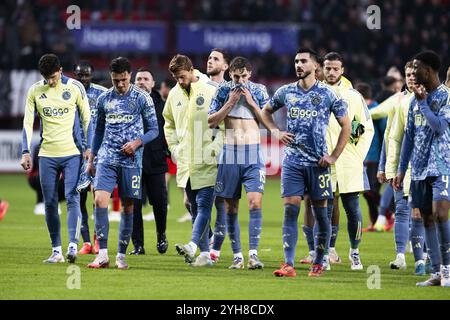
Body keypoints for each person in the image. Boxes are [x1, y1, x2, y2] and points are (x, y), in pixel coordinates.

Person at [260, 48, 351, 277]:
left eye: (303, 61)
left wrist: (333, 156)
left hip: (318, 164)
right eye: (296, 61)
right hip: (292, 161)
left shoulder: (329, 94)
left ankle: (319, 262)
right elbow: (266, 111)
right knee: (291, 209)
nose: (298, 65)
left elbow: (346, 126)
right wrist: (276, 132)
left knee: (322, 215)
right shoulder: (286, 92)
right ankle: (288, 264)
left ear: (315, 66)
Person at [87, 57, 159, 269]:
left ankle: (120, 255)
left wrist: (137, 143)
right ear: (111, 76)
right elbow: (99, 130)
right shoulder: (103, 99)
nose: (120, 84)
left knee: (128, 207)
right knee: (100, 200)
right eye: (116, 80)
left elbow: (154, 130)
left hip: (132, 160)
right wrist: (91, 159)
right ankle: (102, 254)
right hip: (107, 157)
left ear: (130, 75)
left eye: (124, 79)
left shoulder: (142, 98)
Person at [21, 53, 91, 264]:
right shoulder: (35, 90)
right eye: (46, 78)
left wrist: (89, 148)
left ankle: (72, 245)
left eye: (53, 77)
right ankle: (56, 251)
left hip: (72, 154)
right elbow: (26, 122)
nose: (50, 82)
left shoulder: (75, 88)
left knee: (72, 198)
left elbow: (87, 118)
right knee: (50, 203)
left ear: (60, 70)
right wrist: (25, 151)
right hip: (46, 156)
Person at [394, 50, 450, 287]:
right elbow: (409, 136)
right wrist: (400, 168)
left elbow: (438, 127)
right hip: (417, 170)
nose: (412, 73)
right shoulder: (413, 100)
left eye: (416, 68)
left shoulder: (446, 97)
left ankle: (448, 270)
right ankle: (437, 272)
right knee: (426, 218)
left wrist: (423, 103)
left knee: (440, 215)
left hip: (441, 166)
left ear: (428, 70)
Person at [208, 56, 268, 270]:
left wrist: (251, 103)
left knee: (255, 202)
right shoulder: (223, 91)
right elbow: (211, 121)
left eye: (243, 76)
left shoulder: (259, 91)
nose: (240, 81)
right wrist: (230, 103)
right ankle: (237, 256)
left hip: (253, 153)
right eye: (235, 77)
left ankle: (253, 254)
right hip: (230, 153)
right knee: (231, 207)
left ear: (249, 74)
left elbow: (268, 123)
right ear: (230, 74)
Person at [164, 54, 222, 267]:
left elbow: (224, 125)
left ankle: (192, 244)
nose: (180, 81)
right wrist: (173, 147)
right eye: (176, 78)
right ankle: (205, 255)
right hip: (186, 161)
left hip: (208, 159)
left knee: (204, 204)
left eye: (182, 76)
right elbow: (168, 123)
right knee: (193, 206)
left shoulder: (210, 90)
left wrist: (215, 149)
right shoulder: (173, 95)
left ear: (191, 70)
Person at [319, 52, 374, 270]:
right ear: (322, 69)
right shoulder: (316, 93)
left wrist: (358, 155)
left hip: (349, 162)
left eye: (335, 68)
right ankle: (325, 253)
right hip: (323, 162)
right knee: (325, 210)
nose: (331, 72)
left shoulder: (353, 96)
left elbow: (365, 128)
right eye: (327, 68)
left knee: (353, 210)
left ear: (342, 71)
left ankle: (355, 252)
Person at [386, 61, 428, 274]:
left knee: (425, 214)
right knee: (402, 211)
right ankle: (401, 255)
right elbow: (393, 137)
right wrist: (390, 169)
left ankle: (427, 256)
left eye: (415, 74)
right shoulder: (400, 102)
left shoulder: (436, 99)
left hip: (427, 169)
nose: (411, 78)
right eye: (408, 74)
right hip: (404, 167)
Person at [129, 67, 169, 255]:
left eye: (146, 78)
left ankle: (161, 234)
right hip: (131, 161)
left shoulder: (163, 105)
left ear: (153, 84)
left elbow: (170, 130)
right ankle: (138, 245)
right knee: (133, 203)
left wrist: (169, 149)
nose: (141, 82)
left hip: (156, 160)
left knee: (159, 202)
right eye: (138, 79)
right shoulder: (126, 104)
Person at [73, 60, 107, 255]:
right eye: (79, 75)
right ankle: (85, 241)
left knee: (98, 196)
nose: (82, 78)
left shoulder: (101, 93)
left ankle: (97, 239)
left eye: (86, 75)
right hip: (76, 152)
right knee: (78, 196)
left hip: (98, 152)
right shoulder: (69, 92)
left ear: (91, 75)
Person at [206, 48, 231, 263]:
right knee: (190, 201)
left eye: (215, 59)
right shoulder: (199, 87)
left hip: (223, 149)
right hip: (199, 150)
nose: (210, 61)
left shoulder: (228, 90)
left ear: (225, 66)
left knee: (220, 201)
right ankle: (211, 238)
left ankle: (216, 249)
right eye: (209, 58)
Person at [357, 83, 385, 230]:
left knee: (371, 190)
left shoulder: (377, 110)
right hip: (362, 156)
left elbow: (385, 133)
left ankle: (389, 211)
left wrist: (385, 157)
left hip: (375, 156)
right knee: (366, 192)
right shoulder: (359, 110)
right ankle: (374, 222)